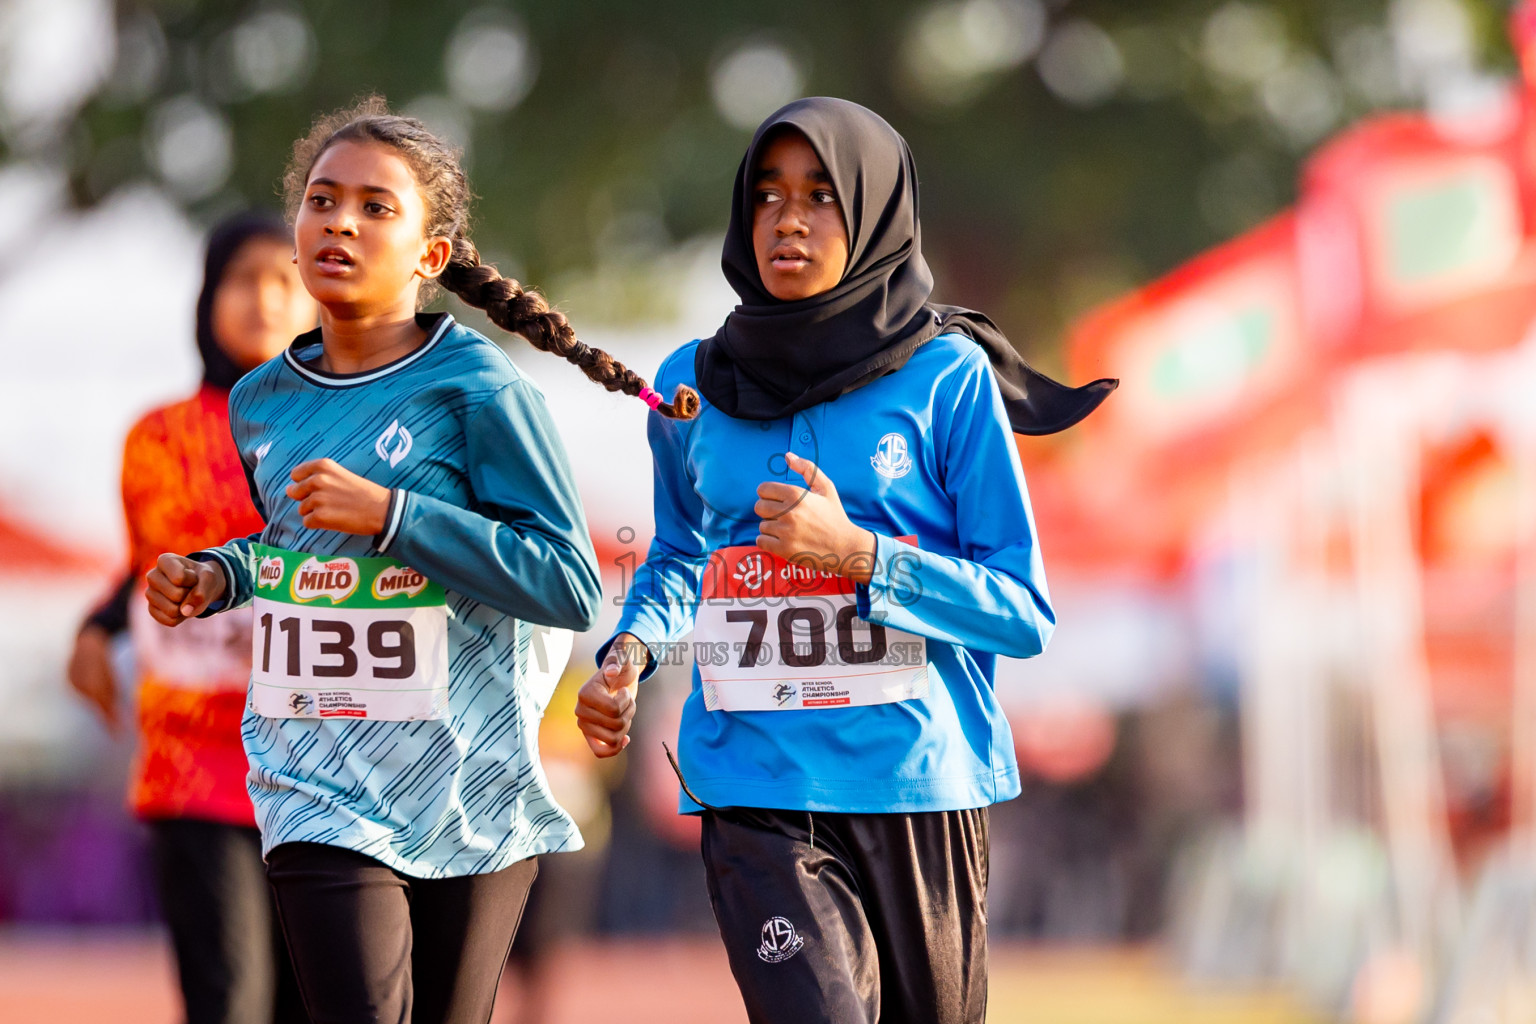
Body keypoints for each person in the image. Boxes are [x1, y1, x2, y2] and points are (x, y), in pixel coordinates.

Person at [141, 97, 690, 1024]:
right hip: (313, 779)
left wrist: (396, 514)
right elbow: (294, 549)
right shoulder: (261, 401)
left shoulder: (478, 387)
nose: (339, 223)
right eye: (320, 201)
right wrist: (218, 576)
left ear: (432, 256)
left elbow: (561, 579)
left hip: (466, 788)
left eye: (374, 207)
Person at [574, 97, 1114, 1023]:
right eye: (769, 196)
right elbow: (676, 556)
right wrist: (629, 652)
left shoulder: (948, 377)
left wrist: (861, 555)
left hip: (917, 785)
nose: (789, 219)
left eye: (821, 196)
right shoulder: (686, 387)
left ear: (871, 214)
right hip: (756, 783)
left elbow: (1021, 611)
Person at [68, 210, 316, 1024]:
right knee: (229, 999)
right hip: (193, 764)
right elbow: (150, 566)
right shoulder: (157, 439)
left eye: (288, 281)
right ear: (208, 295)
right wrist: (95, 630)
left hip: (326, 766)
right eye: (245, 279)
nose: (266, 299)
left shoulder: (347, 432)